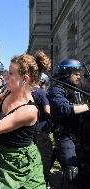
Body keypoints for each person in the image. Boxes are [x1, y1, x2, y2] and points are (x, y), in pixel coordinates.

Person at [0, 50, 51, 189]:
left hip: (21, 163)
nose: (6, 77)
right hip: (4, 157)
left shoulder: (28, 110)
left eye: (11, 73)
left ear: (25, 79)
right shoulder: (10, 90)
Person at [47, 59, 90, 189]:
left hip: (79, 135)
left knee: (84, 169)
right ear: (66, 73)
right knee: (72, 171)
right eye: (75, 73)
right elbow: (64, 109)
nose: (79, 76)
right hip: (64, 135)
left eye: (79, 73)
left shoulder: (77, 90)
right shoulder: (56, 90)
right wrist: (88, 106)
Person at [31, 73, 53, 187]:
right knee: (45, 155)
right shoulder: (41, 92)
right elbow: (48, 110)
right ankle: (45, 181)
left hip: (29, 131)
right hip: (41, 130)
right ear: (42, 82)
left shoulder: (28, 92)